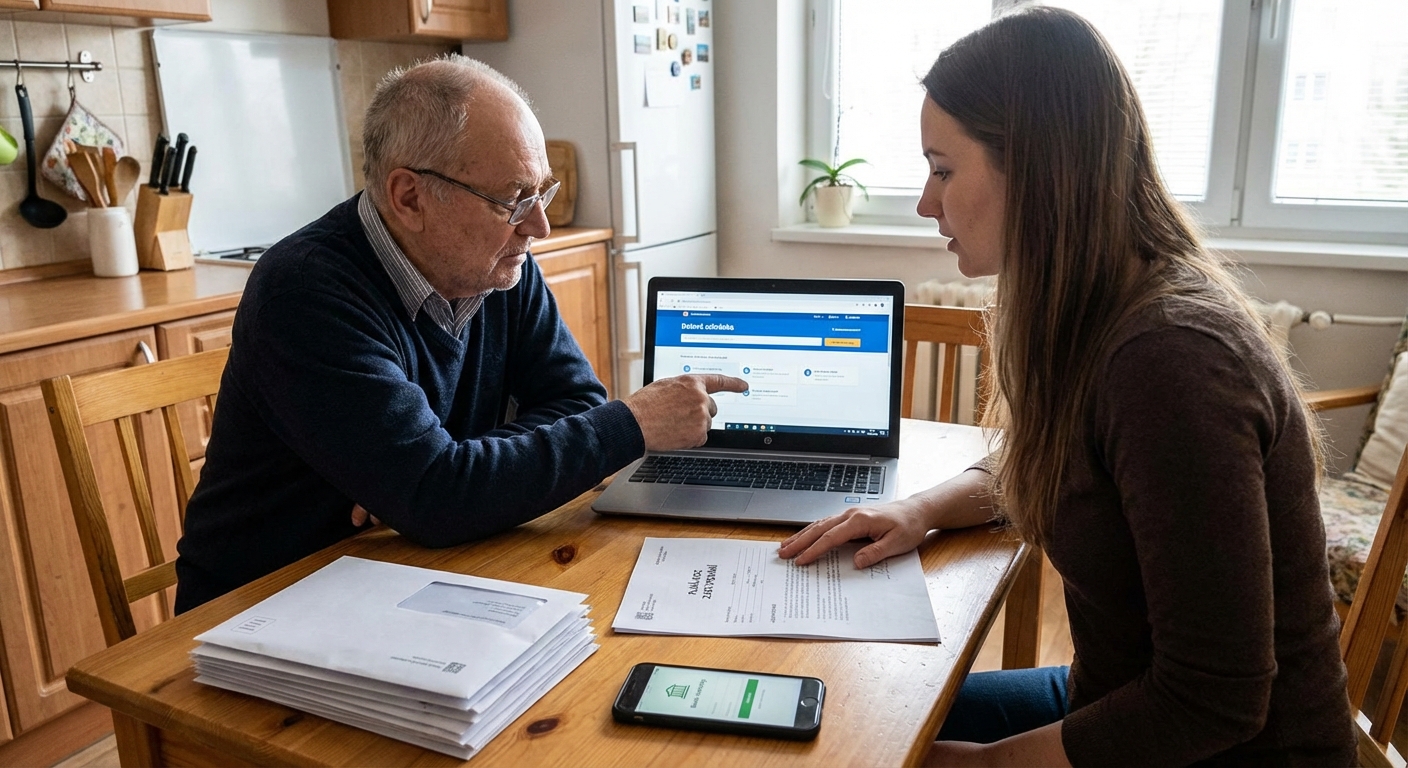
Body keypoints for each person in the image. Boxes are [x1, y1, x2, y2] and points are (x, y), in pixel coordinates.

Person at [779, 7, 1355, 766]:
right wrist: (916, 509)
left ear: (1041, 167)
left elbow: (1214, 700)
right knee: (839, 713)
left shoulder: (1170, 360)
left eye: (944, 169)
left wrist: (981, 766)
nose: (926, 202)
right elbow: (1050, 457)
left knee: (861, 740)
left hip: (1221, 750)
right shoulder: (1098, 308)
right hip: (1110, 696)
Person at [174, 56, 746, 612]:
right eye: (514, 199)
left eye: (541, 193)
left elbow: (573, 401)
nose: (539, 226)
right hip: (265, 602)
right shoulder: (306, 292)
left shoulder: (498, 263)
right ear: (409, 197)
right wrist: (632, 424)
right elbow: (441, 498)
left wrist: (445, 475)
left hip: (402, 568)